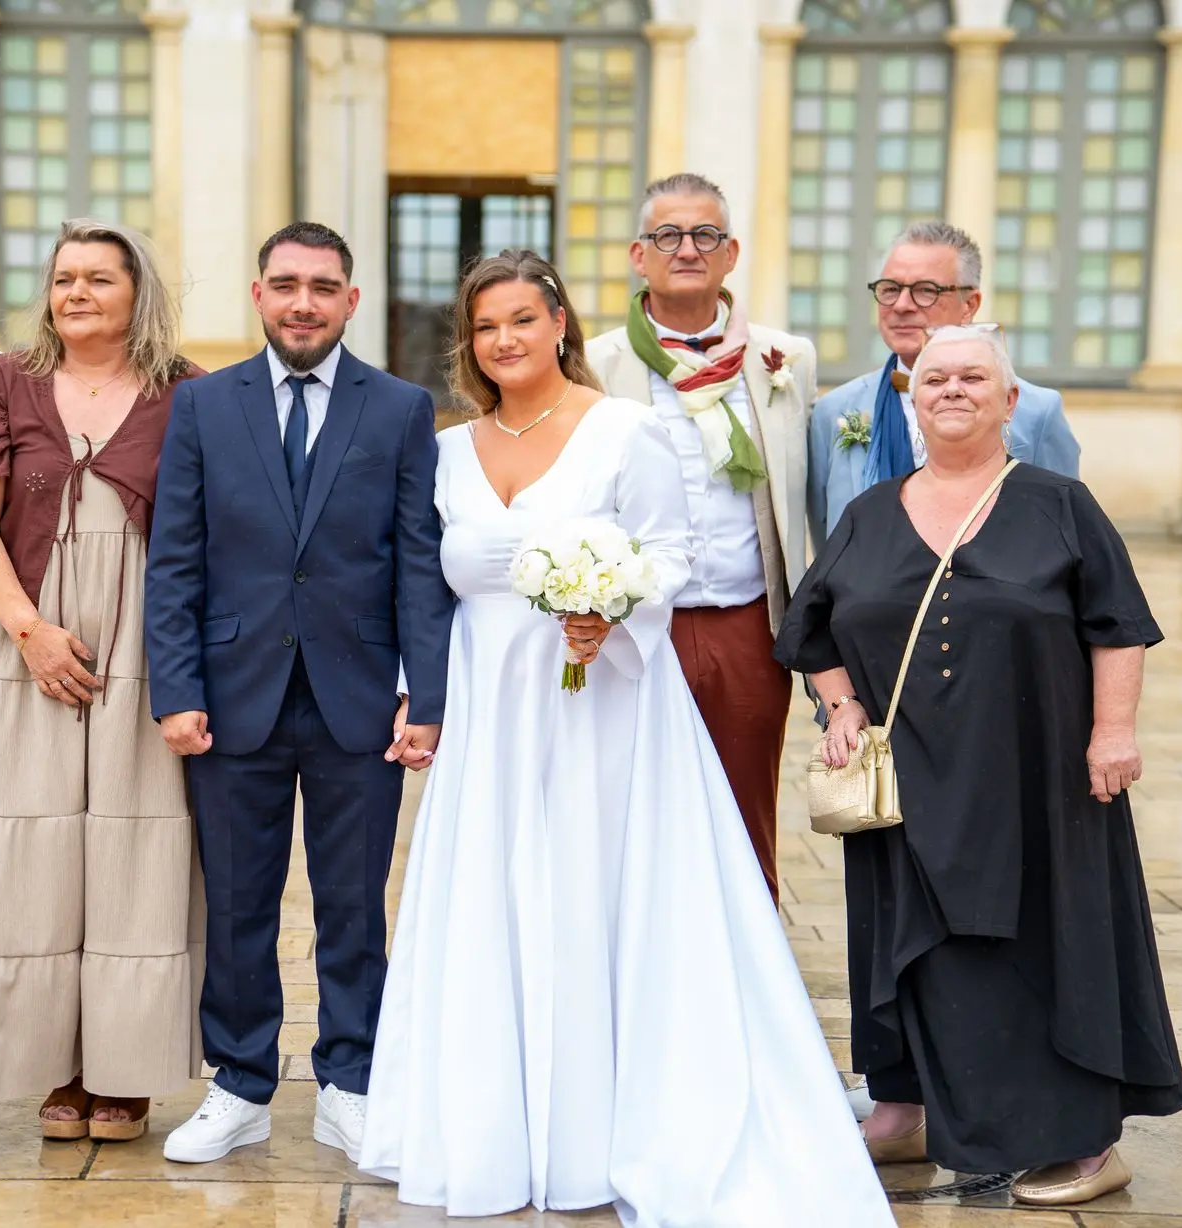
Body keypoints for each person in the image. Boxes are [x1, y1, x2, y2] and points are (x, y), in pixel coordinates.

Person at [360, 250, 894, 1227]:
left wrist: (609, 614)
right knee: (495, 893)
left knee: (594, 889)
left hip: (604, 704)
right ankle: (494, 1124)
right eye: (486, 326)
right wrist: (415, 694)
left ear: (560, 322)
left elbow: (671, 556)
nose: (505, 339)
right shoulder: (447, 450)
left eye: (523, 319)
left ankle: (602, 1124)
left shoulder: (625, 431)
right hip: (490, 710)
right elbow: (422, 587)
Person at [775, 326, 1182, 1206]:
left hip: (1040, 778)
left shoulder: (1059, 503)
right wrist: (842, 706)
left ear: (1010, 402)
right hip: (909, 779)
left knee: (1044, 944)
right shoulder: (871, 512)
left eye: (973, 377)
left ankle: (1084, 1143)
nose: (952, 390)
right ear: (911, 402)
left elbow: (1118, 625)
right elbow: (810, 630)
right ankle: (906, 1111)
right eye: (934, 379)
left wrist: (1113, 731)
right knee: (910, 946)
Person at [144, 222, 454, 1165]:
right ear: (259, 295)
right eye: (286, 285)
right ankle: (239, 1085)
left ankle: (350, 1082)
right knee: (238, 904)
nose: (303, 303)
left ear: (351, 300)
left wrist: (426, 695)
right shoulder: (204, 406)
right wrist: (175, 688)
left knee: (353, 903)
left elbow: (419, 562)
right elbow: (176, 559)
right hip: (233, 696)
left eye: (323, 287)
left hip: (357, 700)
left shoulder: (400, 408)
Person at [0, 220, 204, 1142]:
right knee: (25, 854)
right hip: (27, 637)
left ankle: (122, 1072)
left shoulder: (189, 393)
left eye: (99, 279)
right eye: (64, 278)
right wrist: (30, 633)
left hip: (146, 643)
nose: (77, 293)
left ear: (137, 293)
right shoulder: (1, 383)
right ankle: (52, 1067)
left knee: (134, 853)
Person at [587, 173, 816, 903]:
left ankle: (753, 955)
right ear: (639, 255)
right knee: (634, 807)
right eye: (668, 235)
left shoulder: (786, 360)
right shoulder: (596, 364)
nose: (687, 249)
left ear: (730, 253)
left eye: (705, 234)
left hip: (748, 622)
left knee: (746, 812)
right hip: (636, 626)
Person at [808, 220, 1080, 549]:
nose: (901, 305)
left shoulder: (1037, 412)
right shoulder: (834, 412)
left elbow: (1064, 538)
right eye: (890, 289)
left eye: (926, 290)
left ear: (970, 305)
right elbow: (828, 546)